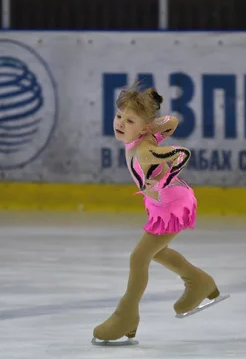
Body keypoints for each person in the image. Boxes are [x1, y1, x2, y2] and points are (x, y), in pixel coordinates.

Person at [92, 83, 222, 344]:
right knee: (156, 251)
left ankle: (126, 315)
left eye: (129, 121)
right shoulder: (141, 135)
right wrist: (155, 125)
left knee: (138, 257)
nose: (120, 123)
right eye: (119, 116)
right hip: (160, 202)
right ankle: (199, 281)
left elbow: (182, 153)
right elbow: (171, 120)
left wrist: (168, 172)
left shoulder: (145, 151)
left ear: (143, 128)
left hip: (172, 204)